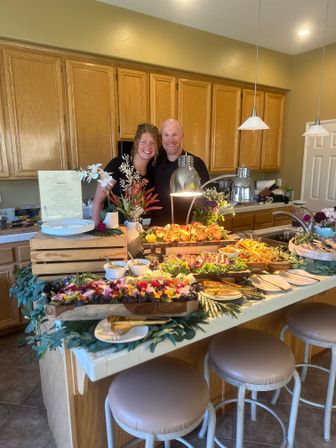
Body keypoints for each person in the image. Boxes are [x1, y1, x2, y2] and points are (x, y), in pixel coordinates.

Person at [91, 123, 160, 227]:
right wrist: (96, 229)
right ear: (136, 143)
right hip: (113, 230)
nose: (148, 147)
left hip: (135, 230)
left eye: (152, 143)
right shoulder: (117, 164)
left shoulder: (152, 171)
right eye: (143, 142)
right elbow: (98, 200)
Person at [150, 119, 210, 226]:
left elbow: (207, 198)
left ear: (182, 136)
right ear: (161, 138)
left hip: (187, 230)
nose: (170, 140)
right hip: (157, 230)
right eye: (166, 135)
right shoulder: (155, 162)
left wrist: (195, 222)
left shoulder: (196, 164)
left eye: (174, 135)